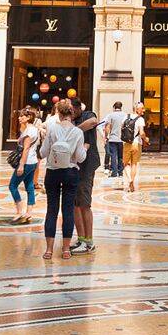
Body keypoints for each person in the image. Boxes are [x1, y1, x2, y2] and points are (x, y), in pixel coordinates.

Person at [39, 99, 86, 260]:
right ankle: (66, 249)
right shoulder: (77, 132)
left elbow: (43, 152)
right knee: (68, 211)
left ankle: (49, 250)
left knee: (51, 210)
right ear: (72, 114)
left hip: (52, 172)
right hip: (70, 172)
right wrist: (85, 149)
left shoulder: (52, 129)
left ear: (59, 113)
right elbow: (80, 158)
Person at [70, 100, 101, 254]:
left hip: (87, 166)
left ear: (77, 108)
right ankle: (81, 238)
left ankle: (89, 242)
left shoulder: (88, 114)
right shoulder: (71, 120)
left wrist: (75, 130)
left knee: (85, 204)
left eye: (72, 110)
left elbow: (94, 121)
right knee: (75, 204)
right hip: (74, 167)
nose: (71, 113)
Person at [5, 107, 41, 224]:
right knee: (29, 186)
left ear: (29, 117)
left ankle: (20, 211)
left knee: (12, 186)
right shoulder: (33, 129)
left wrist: (21, 166)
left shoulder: (29, 132)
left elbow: (25, 149)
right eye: (20, 115)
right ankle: (29, 213)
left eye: (22, 116)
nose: (20, 118)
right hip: (33, 161)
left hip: (26, 162)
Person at [122, 102, 145, 192]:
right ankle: (132, 180)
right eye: (142, 108)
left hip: (127, 143)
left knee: (125, 164)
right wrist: (145, 139)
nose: (143, 110)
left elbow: (122, 129)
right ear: (137, 109)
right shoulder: (140, 119)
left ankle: (129, 180)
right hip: (136, 143)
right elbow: (142, 133)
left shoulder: (125, 117)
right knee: (134, 164)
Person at [103, 101, 128, 178]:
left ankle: (114, 173)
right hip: (122, 139)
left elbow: (107, 127)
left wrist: (106, 136)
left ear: (114, 107)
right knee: (121, 156)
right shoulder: (125, 115)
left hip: (113, 139)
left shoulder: (111, 115)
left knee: (113, 156)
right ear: (121, 107)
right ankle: (120, 172)